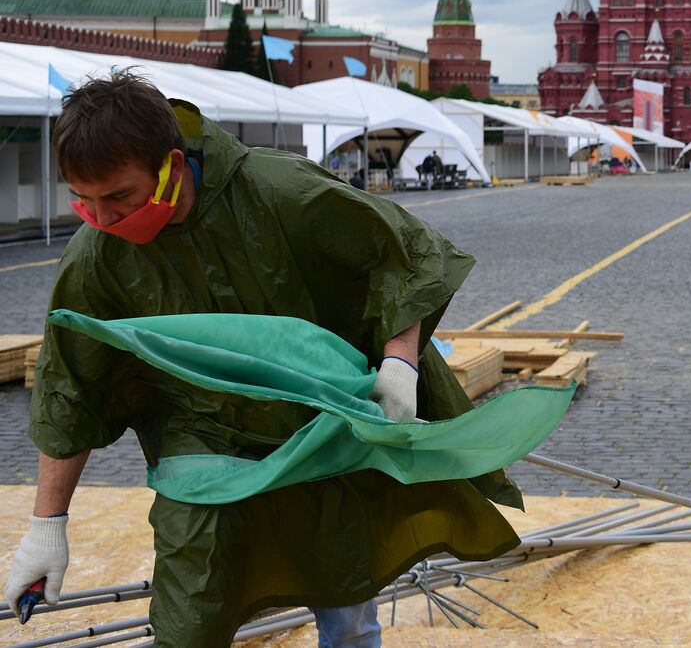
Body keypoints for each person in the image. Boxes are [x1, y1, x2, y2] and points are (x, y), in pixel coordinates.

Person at [4, 70, 523, 647]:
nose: (104, 219)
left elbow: (398, 254)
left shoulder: (281, 191)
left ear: (173, 166)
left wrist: (400, 363)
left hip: (320, 426)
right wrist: (46, 526)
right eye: (85, 201)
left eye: (120, 197)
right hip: (203, 440)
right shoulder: (97, 255)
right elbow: (71, 388)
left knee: (345, 603)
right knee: (187, 616)